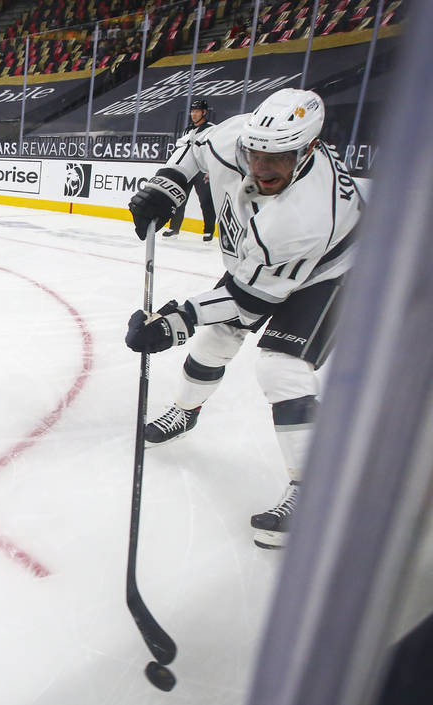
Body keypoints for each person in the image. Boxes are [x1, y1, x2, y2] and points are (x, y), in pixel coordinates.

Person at [125, 88, 361, 549]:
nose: (263, 167)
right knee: (215, 340)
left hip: (333, 269)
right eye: (257, 154)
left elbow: (247, 301)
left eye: (280, 158)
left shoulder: (306, 216)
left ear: (309, 148)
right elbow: (194, 148)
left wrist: (173, 322)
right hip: (261, 267)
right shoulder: (236, 138)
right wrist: (165, 186)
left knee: (281, 366)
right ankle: (186, 412)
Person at [165, 99, 216, 241]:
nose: (193, 114)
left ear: (204, 112)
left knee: (206, 201)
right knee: (179, 199)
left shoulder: (211, 128)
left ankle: (208, 231)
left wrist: (209, 170)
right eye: (192, 111)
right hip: (187, 169)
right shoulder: (188, 129)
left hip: (201, 170)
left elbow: (211, 150)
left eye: (197, 111)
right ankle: (174, 228)